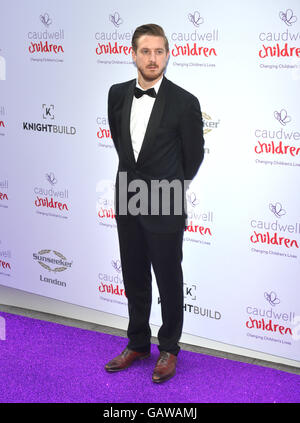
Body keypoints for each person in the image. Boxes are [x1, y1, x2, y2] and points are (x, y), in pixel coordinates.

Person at [105, 24, 205, 383]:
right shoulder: (117, 94)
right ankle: (137, 342)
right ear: (132, 54)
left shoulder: (184, 101)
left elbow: (193, 157)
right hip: (128, 196)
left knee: (168, 277)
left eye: (159, 51)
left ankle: (169, 348)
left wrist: (168, 186)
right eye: (145, 51)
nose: (152, 58)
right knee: (133, 274)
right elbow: (122, 146)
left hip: (165, 199)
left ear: (167, 54)